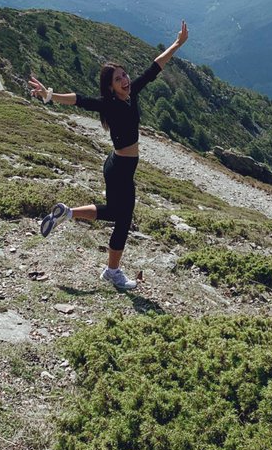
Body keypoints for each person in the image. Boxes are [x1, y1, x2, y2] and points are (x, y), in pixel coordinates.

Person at [29, 21, 189, 291]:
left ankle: (67, 213)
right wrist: (50, 95)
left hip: (119, 167)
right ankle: (112, 271)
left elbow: (154, 68)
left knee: (116, 212)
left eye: (125, 75)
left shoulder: (131, 94)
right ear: (110, 87)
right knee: (123, 219)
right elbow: (79, 100)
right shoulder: (108, 104)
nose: (125, 80)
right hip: (119, 169)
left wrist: (177, 44)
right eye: (118, 79)